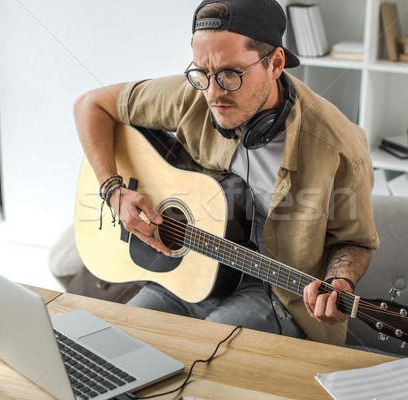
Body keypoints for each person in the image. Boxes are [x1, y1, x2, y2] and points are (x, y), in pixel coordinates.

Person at [74, 0, 379, 346]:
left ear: (275, 63)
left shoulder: (339, 146)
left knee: (199, 354)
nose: (212, 93)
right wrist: (114, 191)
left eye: (230, 74)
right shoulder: (197, 92)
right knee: (116, 342)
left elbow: (356, 241)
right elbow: (90, 105)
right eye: (201, 73)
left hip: (281, 295)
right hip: (196, 269)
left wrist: (341, 282)